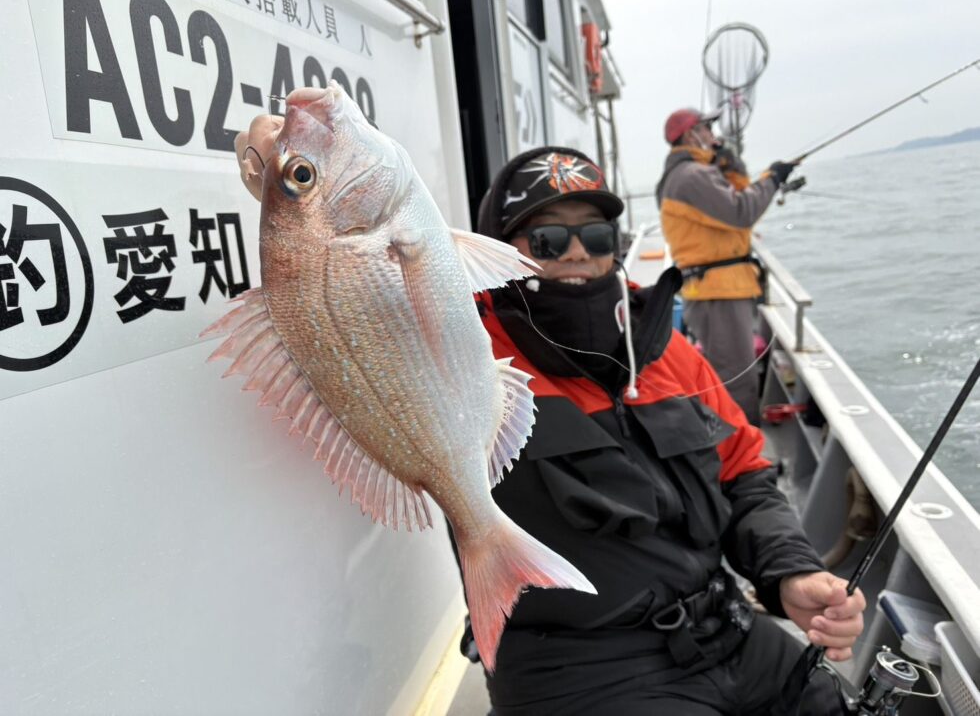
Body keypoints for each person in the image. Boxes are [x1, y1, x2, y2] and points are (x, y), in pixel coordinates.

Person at [235, 114, 864, 714]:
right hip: (581, 668)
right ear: (493, 252)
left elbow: (747, 475)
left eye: (595, 237)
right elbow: (356, 308)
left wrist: (790, 573)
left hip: (728, 628)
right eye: (546, 238)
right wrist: (280, 176)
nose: (575, 253)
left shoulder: (666, 349)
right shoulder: (469, 339)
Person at [656, 108, 797, 425]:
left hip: (720, 288)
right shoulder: (692, 176)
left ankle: (738, 453)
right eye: (707, 128)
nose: (713, 135)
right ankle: (744, 462)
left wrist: (731, 163)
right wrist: (772, 179)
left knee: (732, 375)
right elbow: (742, 210)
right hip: (717, 292)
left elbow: (736, 193)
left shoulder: (695, 173)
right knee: (737, 380)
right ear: (691, 134)